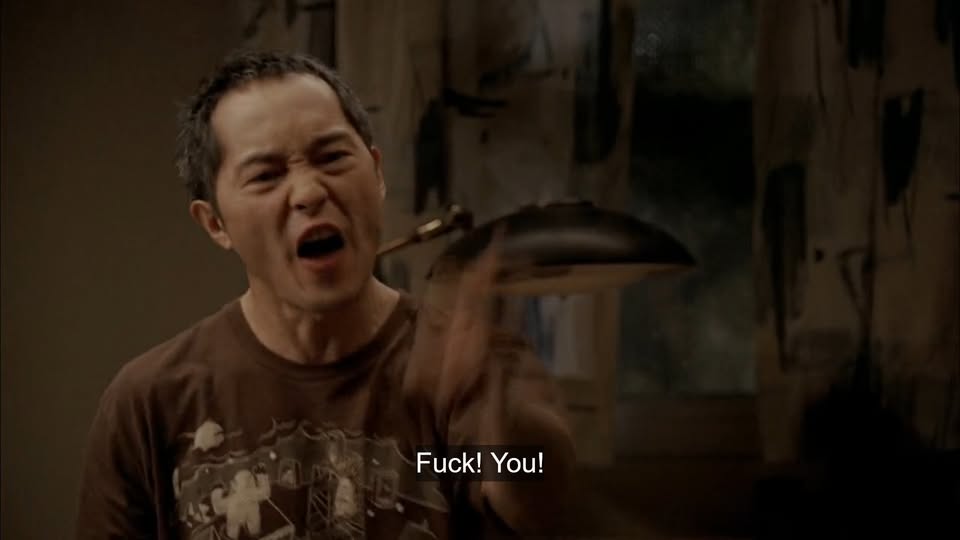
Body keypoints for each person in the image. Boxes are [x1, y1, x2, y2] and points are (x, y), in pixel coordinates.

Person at [75, 50, 576, 540]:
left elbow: (528, 501)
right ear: (215, 223)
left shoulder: (471, 369)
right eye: (266, 175)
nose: (310, 192)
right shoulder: (150, 404)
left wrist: (515, 442)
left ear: (376, 173)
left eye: (332, 157)